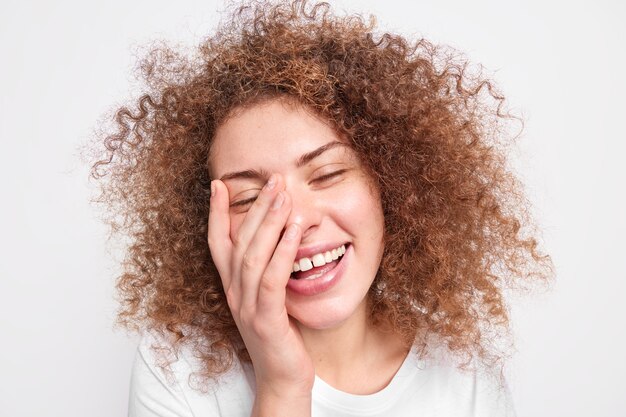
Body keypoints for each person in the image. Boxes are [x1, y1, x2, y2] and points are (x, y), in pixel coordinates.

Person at [92, 1, 551, 416]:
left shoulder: (463, 374)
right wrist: (282, 387)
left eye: (327, 175)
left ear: (390, 186)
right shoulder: (176, 365)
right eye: (250, 200)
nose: (295, 221)